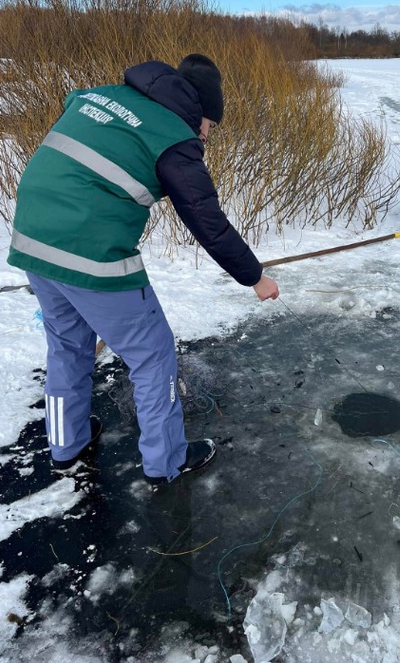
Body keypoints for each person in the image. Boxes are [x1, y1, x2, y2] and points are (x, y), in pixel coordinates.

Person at [6, 54, 279, 485]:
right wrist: (255, 277)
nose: (207, 136)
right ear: (199, 112)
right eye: (210, 126)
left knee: (67, 347)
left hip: (33, 240)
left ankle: (66, 445)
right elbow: (207, 221)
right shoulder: (174, 136)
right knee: (153, 356)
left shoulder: (99, 96)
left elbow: (77, 118)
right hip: (91, 252)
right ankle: (167, 462)